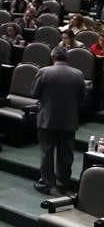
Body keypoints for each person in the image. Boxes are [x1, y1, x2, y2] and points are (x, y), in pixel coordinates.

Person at [31, 48, 86, 194]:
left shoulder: (44, 71)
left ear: (52, 57)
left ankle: (47, 184)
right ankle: (63, 183)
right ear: (67, 58)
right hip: (69, 120)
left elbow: (34, 93)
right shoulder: (78, 74)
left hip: (47, 119)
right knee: (66, 154)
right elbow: (82, 98)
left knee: (46, 152)